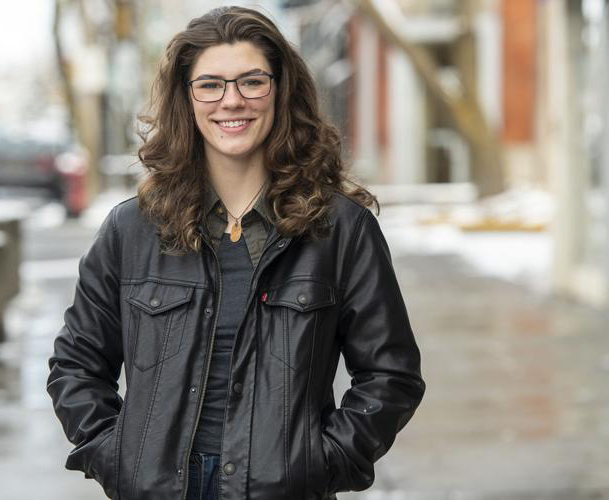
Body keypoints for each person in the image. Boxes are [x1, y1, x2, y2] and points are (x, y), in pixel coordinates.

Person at [46, 6, 425, 500]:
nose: (232, 101)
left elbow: (390, 375)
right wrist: (116, 456)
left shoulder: (340, 230)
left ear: (280, 91)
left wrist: (319, 463)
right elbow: (76, 364)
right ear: (187, 97)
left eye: (252, 82)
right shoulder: (131, 229)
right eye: (210, 84)